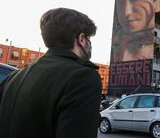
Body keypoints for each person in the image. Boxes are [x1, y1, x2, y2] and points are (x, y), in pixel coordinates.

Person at [0, 8, 101, 138]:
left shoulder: (13, 77)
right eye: (89, 39)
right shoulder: (83, 77)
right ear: (81, 39)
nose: (89, 44)